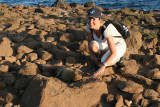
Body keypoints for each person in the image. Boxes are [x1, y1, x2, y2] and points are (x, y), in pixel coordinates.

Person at [86, 7, 127, 76]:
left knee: (103, 62)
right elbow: (90, 42)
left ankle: (118, 59)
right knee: (92, 45)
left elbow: (113, 52)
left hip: (118, 44)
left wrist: (103, 66)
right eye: (89, 18)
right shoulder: (89, 26)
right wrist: (92, 56)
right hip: (106, 45)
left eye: (94, 19)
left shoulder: (106, 28)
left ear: (100, 19)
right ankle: (102, 58)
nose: (91, 21)